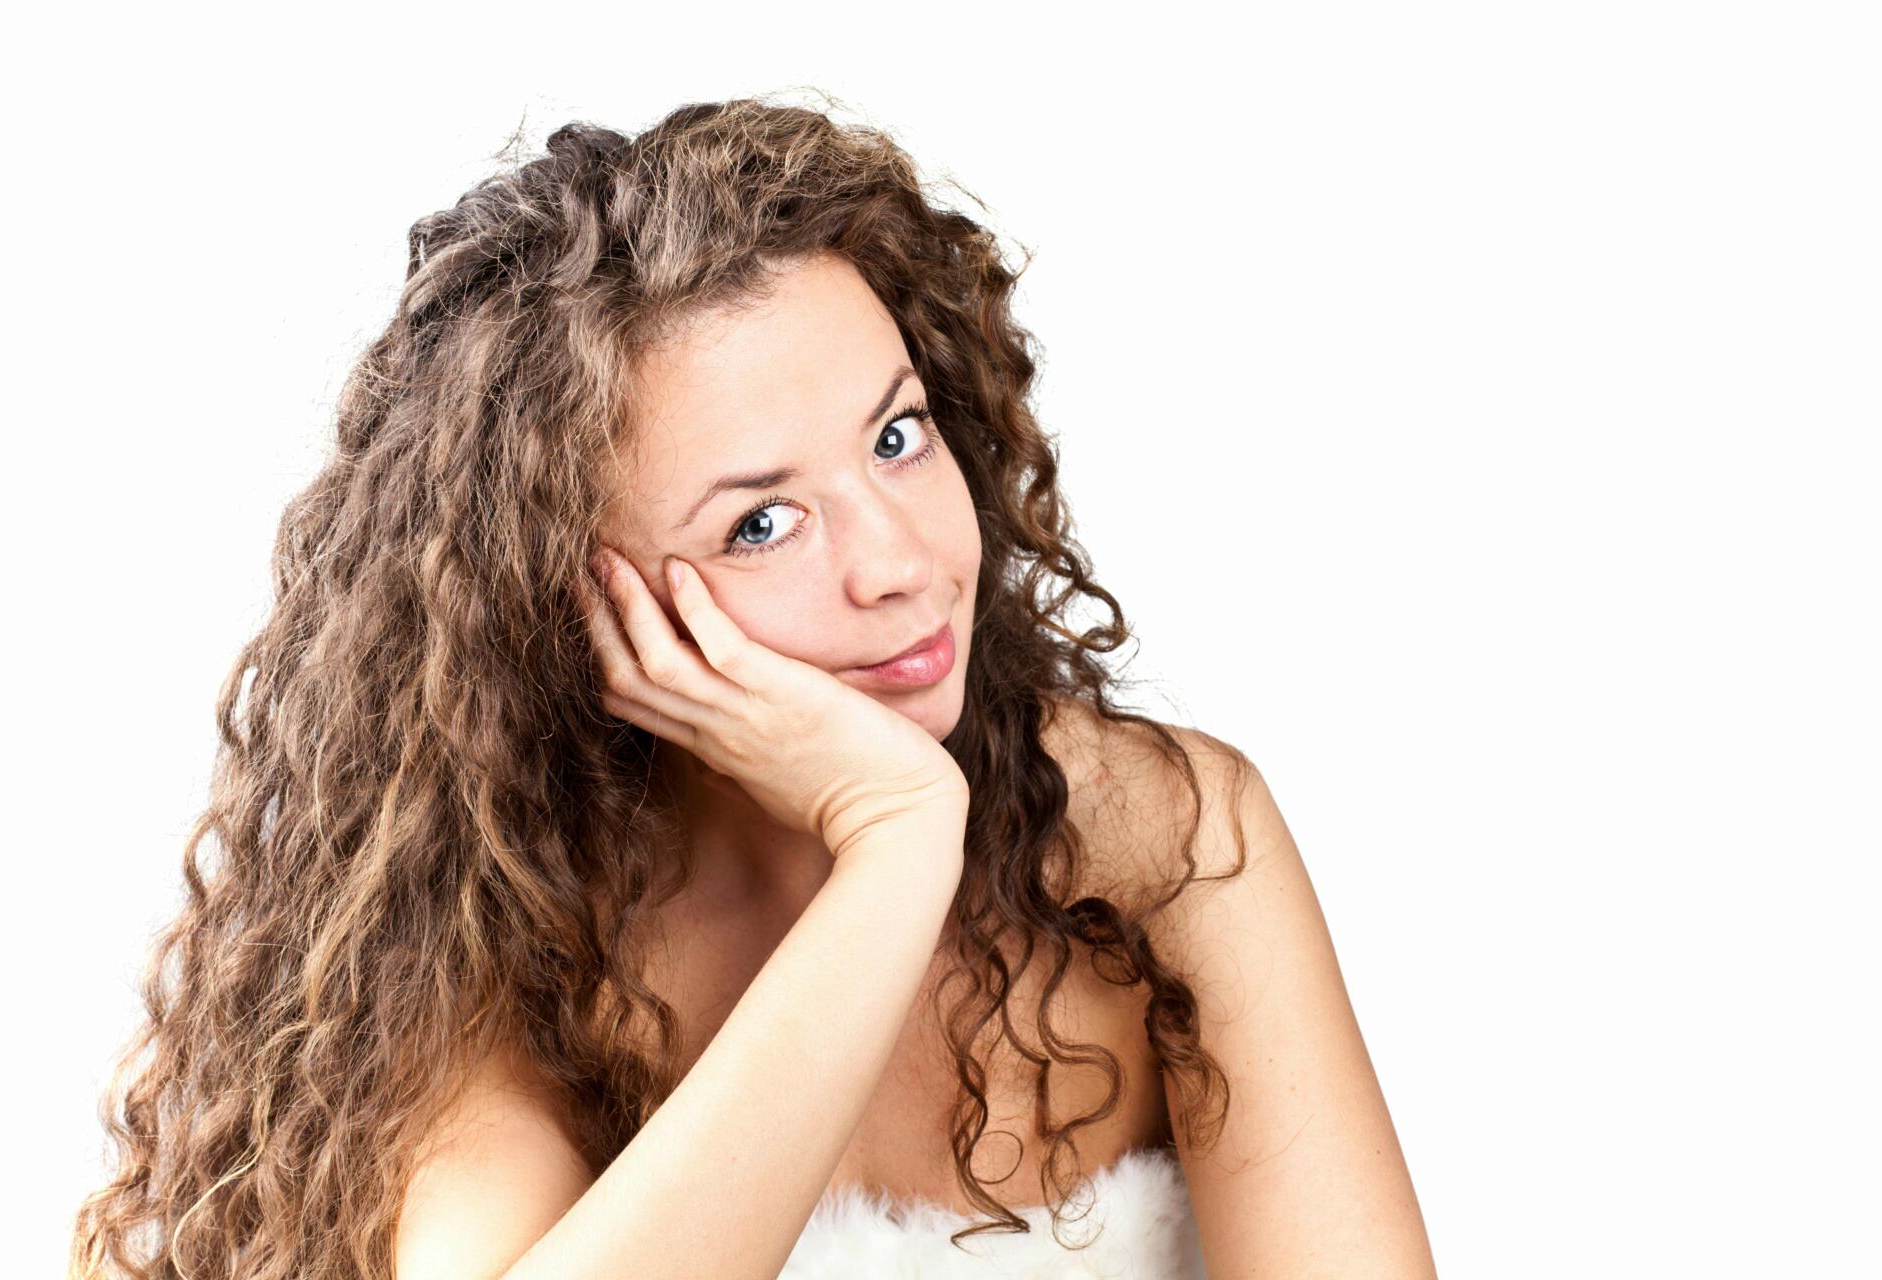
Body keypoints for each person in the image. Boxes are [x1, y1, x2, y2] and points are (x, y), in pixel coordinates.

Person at [69, 92, 1436, 1279]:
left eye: (898, 438)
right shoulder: (487, 956)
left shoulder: (1161, 841)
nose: (901, 563)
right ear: (576, 606)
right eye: (761, 524)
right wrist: (897, 847)